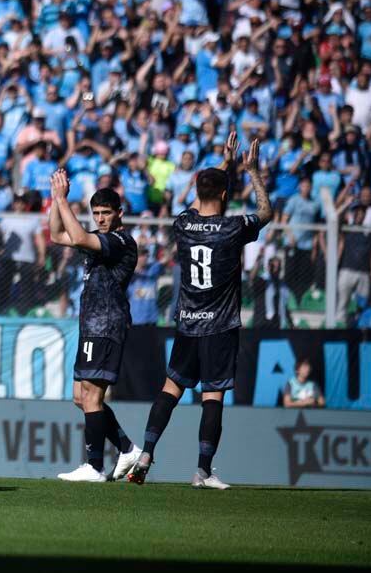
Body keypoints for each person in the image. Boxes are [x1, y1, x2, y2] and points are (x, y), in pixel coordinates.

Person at [128, 131, 270, 489]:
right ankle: (202, 472)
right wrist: (251, 170)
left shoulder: (183, 224)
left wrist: (221, 164)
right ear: (224, 194)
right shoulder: (233, 228)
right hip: (220, 326)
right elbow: (266, 212)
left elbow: (200, 198)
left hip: (188, 323)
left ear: (198, 190)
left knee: (170, 389)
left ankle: (146, 453)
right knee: (213, 396)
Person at [47, 171, 143, 482]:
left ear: (120, 214)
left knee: (92, 397)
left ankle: (95, 466)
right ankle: (127, 449)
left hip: (107, 325)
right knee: (81, 397)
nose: (100, 219)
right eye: (97, 213)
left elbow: (75, 237)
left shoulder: (120, 241)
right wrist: (55, 198)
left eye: (106, 213)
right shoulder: (99, 238)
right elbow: (56, 234)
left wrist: (63, 199)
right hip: (90, 325)